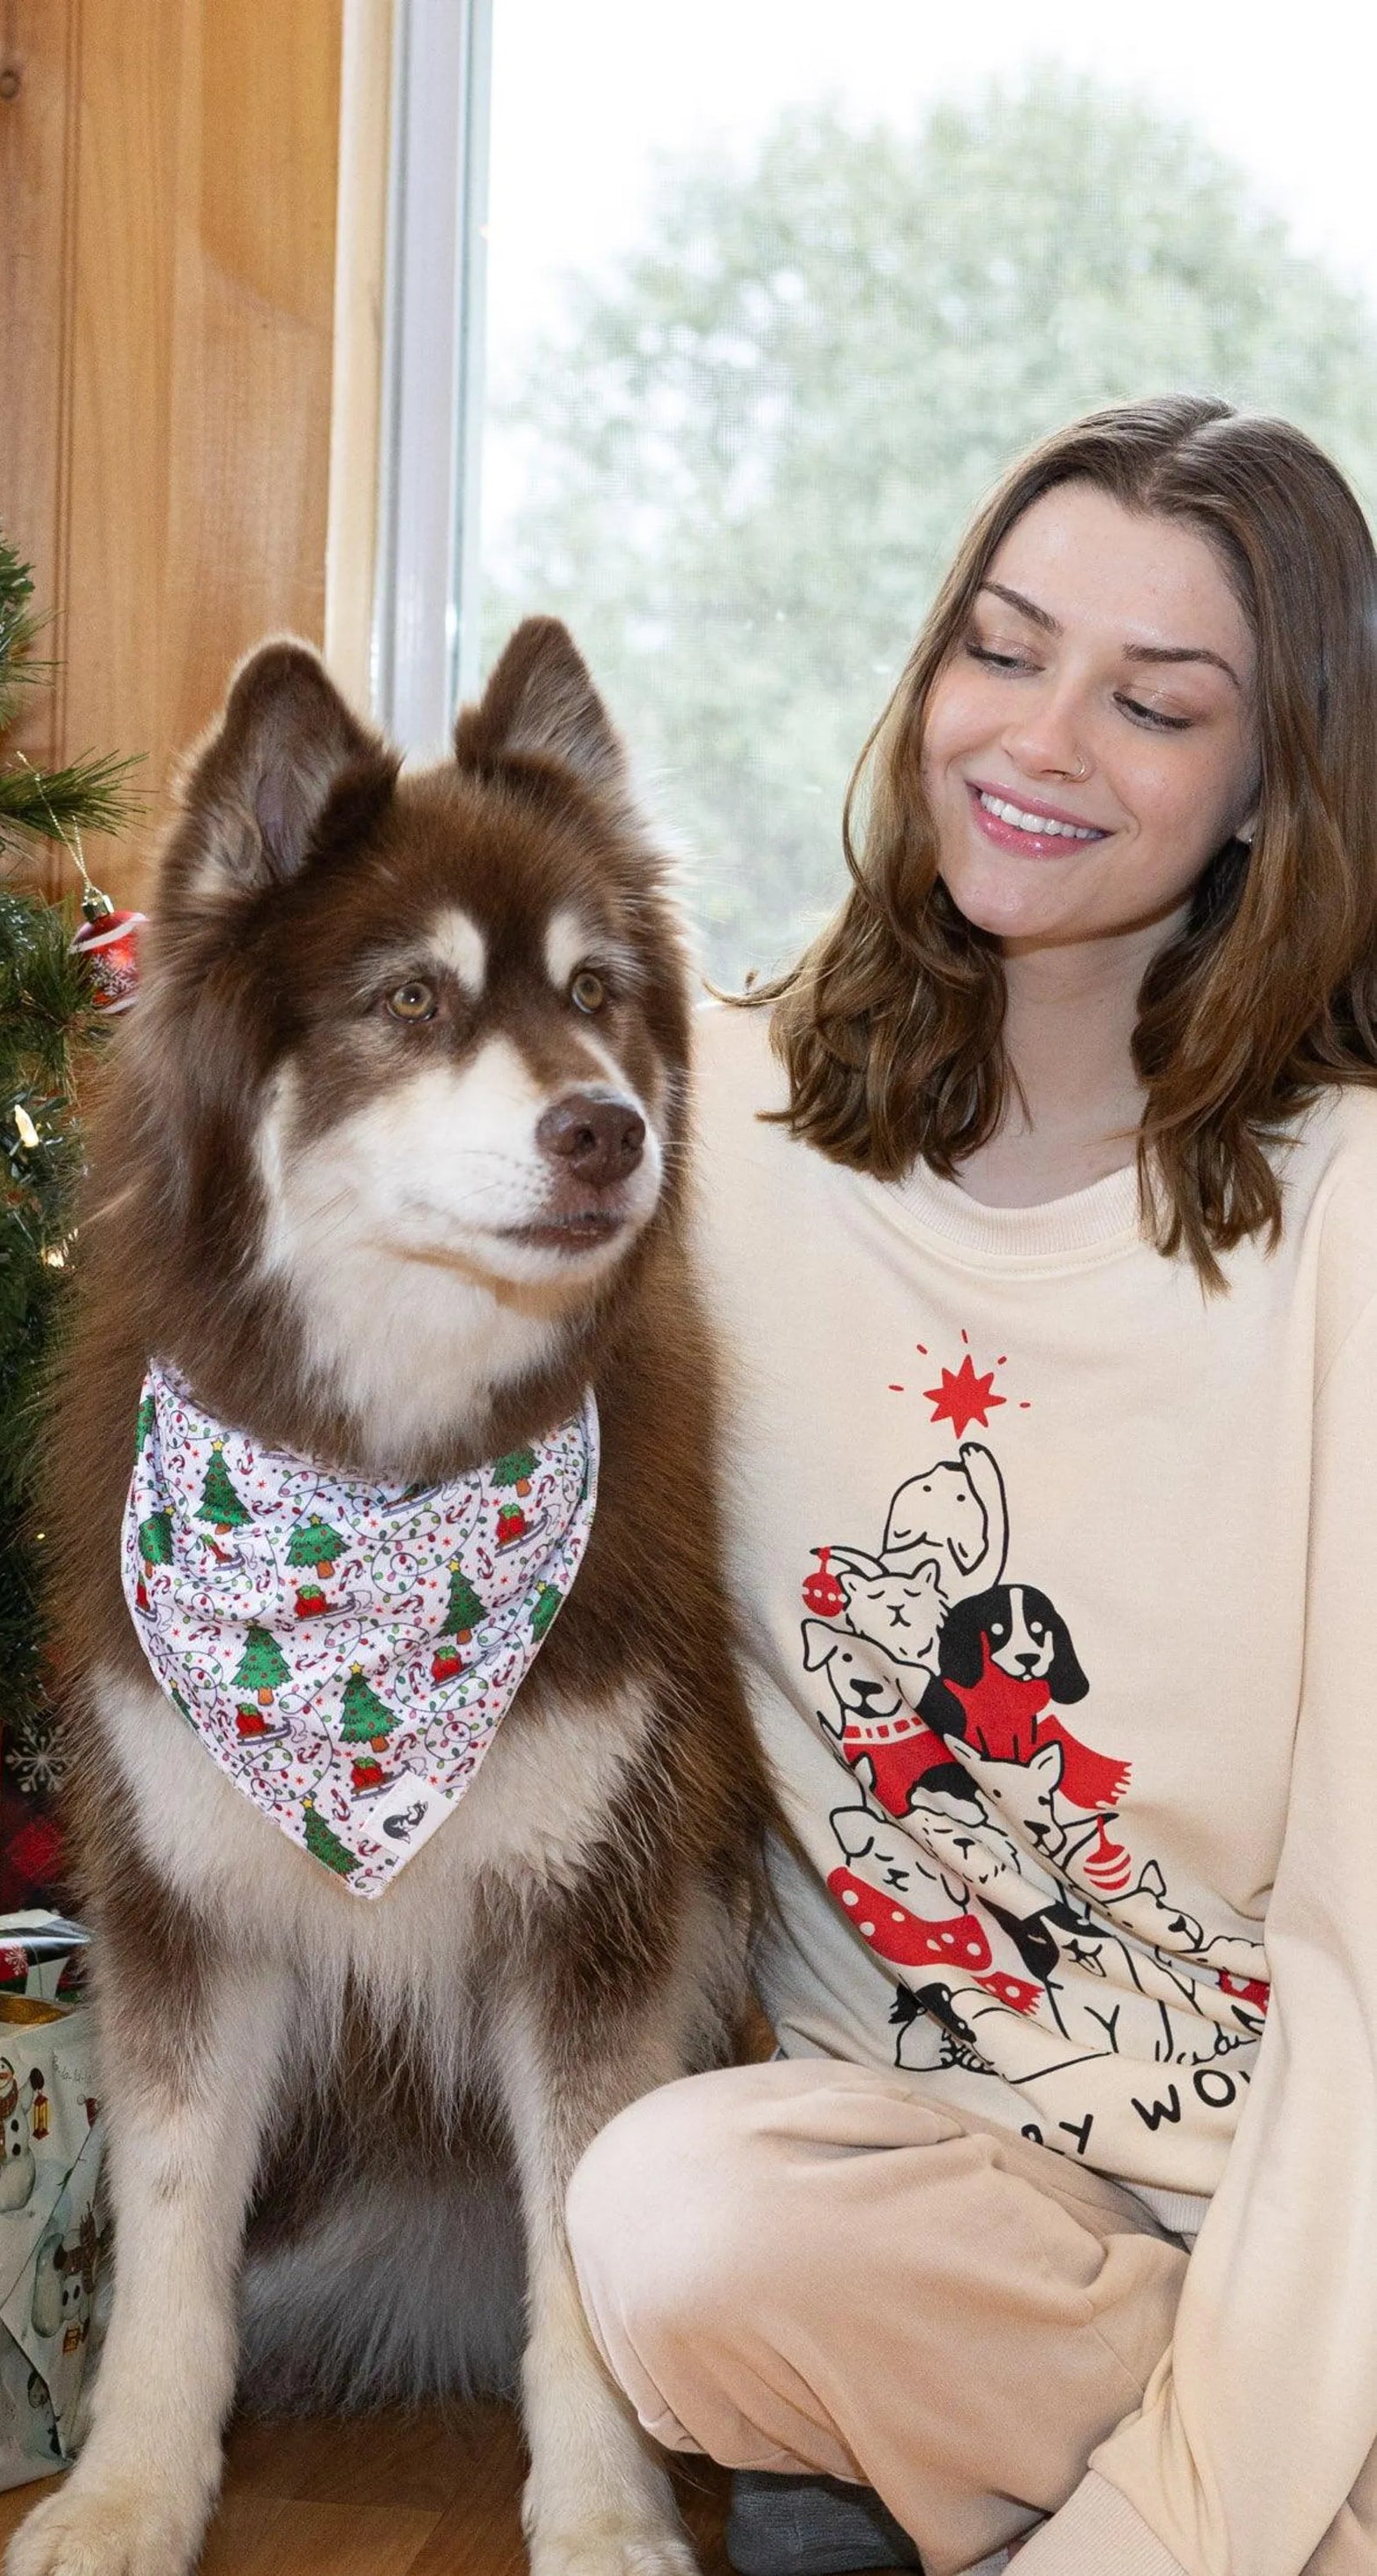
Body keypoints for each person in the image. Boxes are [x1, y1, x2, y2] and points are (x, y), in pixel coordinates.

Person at [564, 396, 1377, 2576]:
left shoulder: (1357, 1209)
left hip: (1330, 2201)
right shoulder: (701, 1135)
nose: (1037, 740)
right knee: (669, 2214)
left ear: (1265, 786)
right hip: (953, 2217)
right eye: (1001, 650)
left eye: (1155, 701)